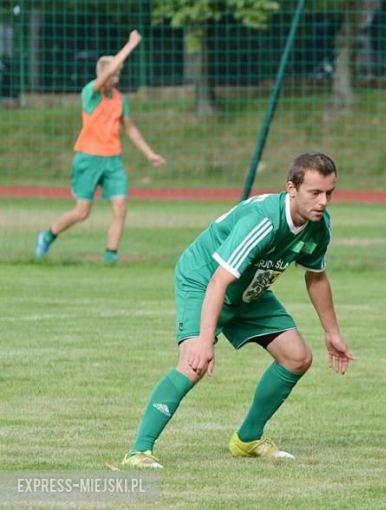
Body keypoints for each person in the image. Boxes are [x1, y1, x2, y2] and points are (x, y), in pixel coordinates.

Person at [122, 152, 355, 469]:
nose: (323, 201)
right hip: (204, 279)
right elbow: (219, 281)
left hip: (248, 285)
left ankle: (247, 439)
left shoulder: (319, 225)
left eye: (329, 193)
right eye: (315, 192)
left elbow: (316, 277)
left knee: (297, 357)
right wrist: (205, 341)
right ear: (291, 188)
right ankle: (138, 451)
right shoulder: (263, 221)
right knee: (193, 364)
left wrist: (332, 333)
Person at [35, 30, 166, 263]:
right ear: (104, 73)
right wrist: (131, 44)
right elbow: (109, 70)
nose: (117, 78)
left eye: (118, 74)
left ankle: (110, 256)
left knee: (121, 206)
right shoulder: (90, 93)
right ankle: (47, 236)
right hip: (88, 158)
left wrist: (149, 154)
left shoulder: (119, 99)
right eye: (114, 74)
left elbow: (130, 129)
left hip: (113, 159)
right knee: (82, 212)